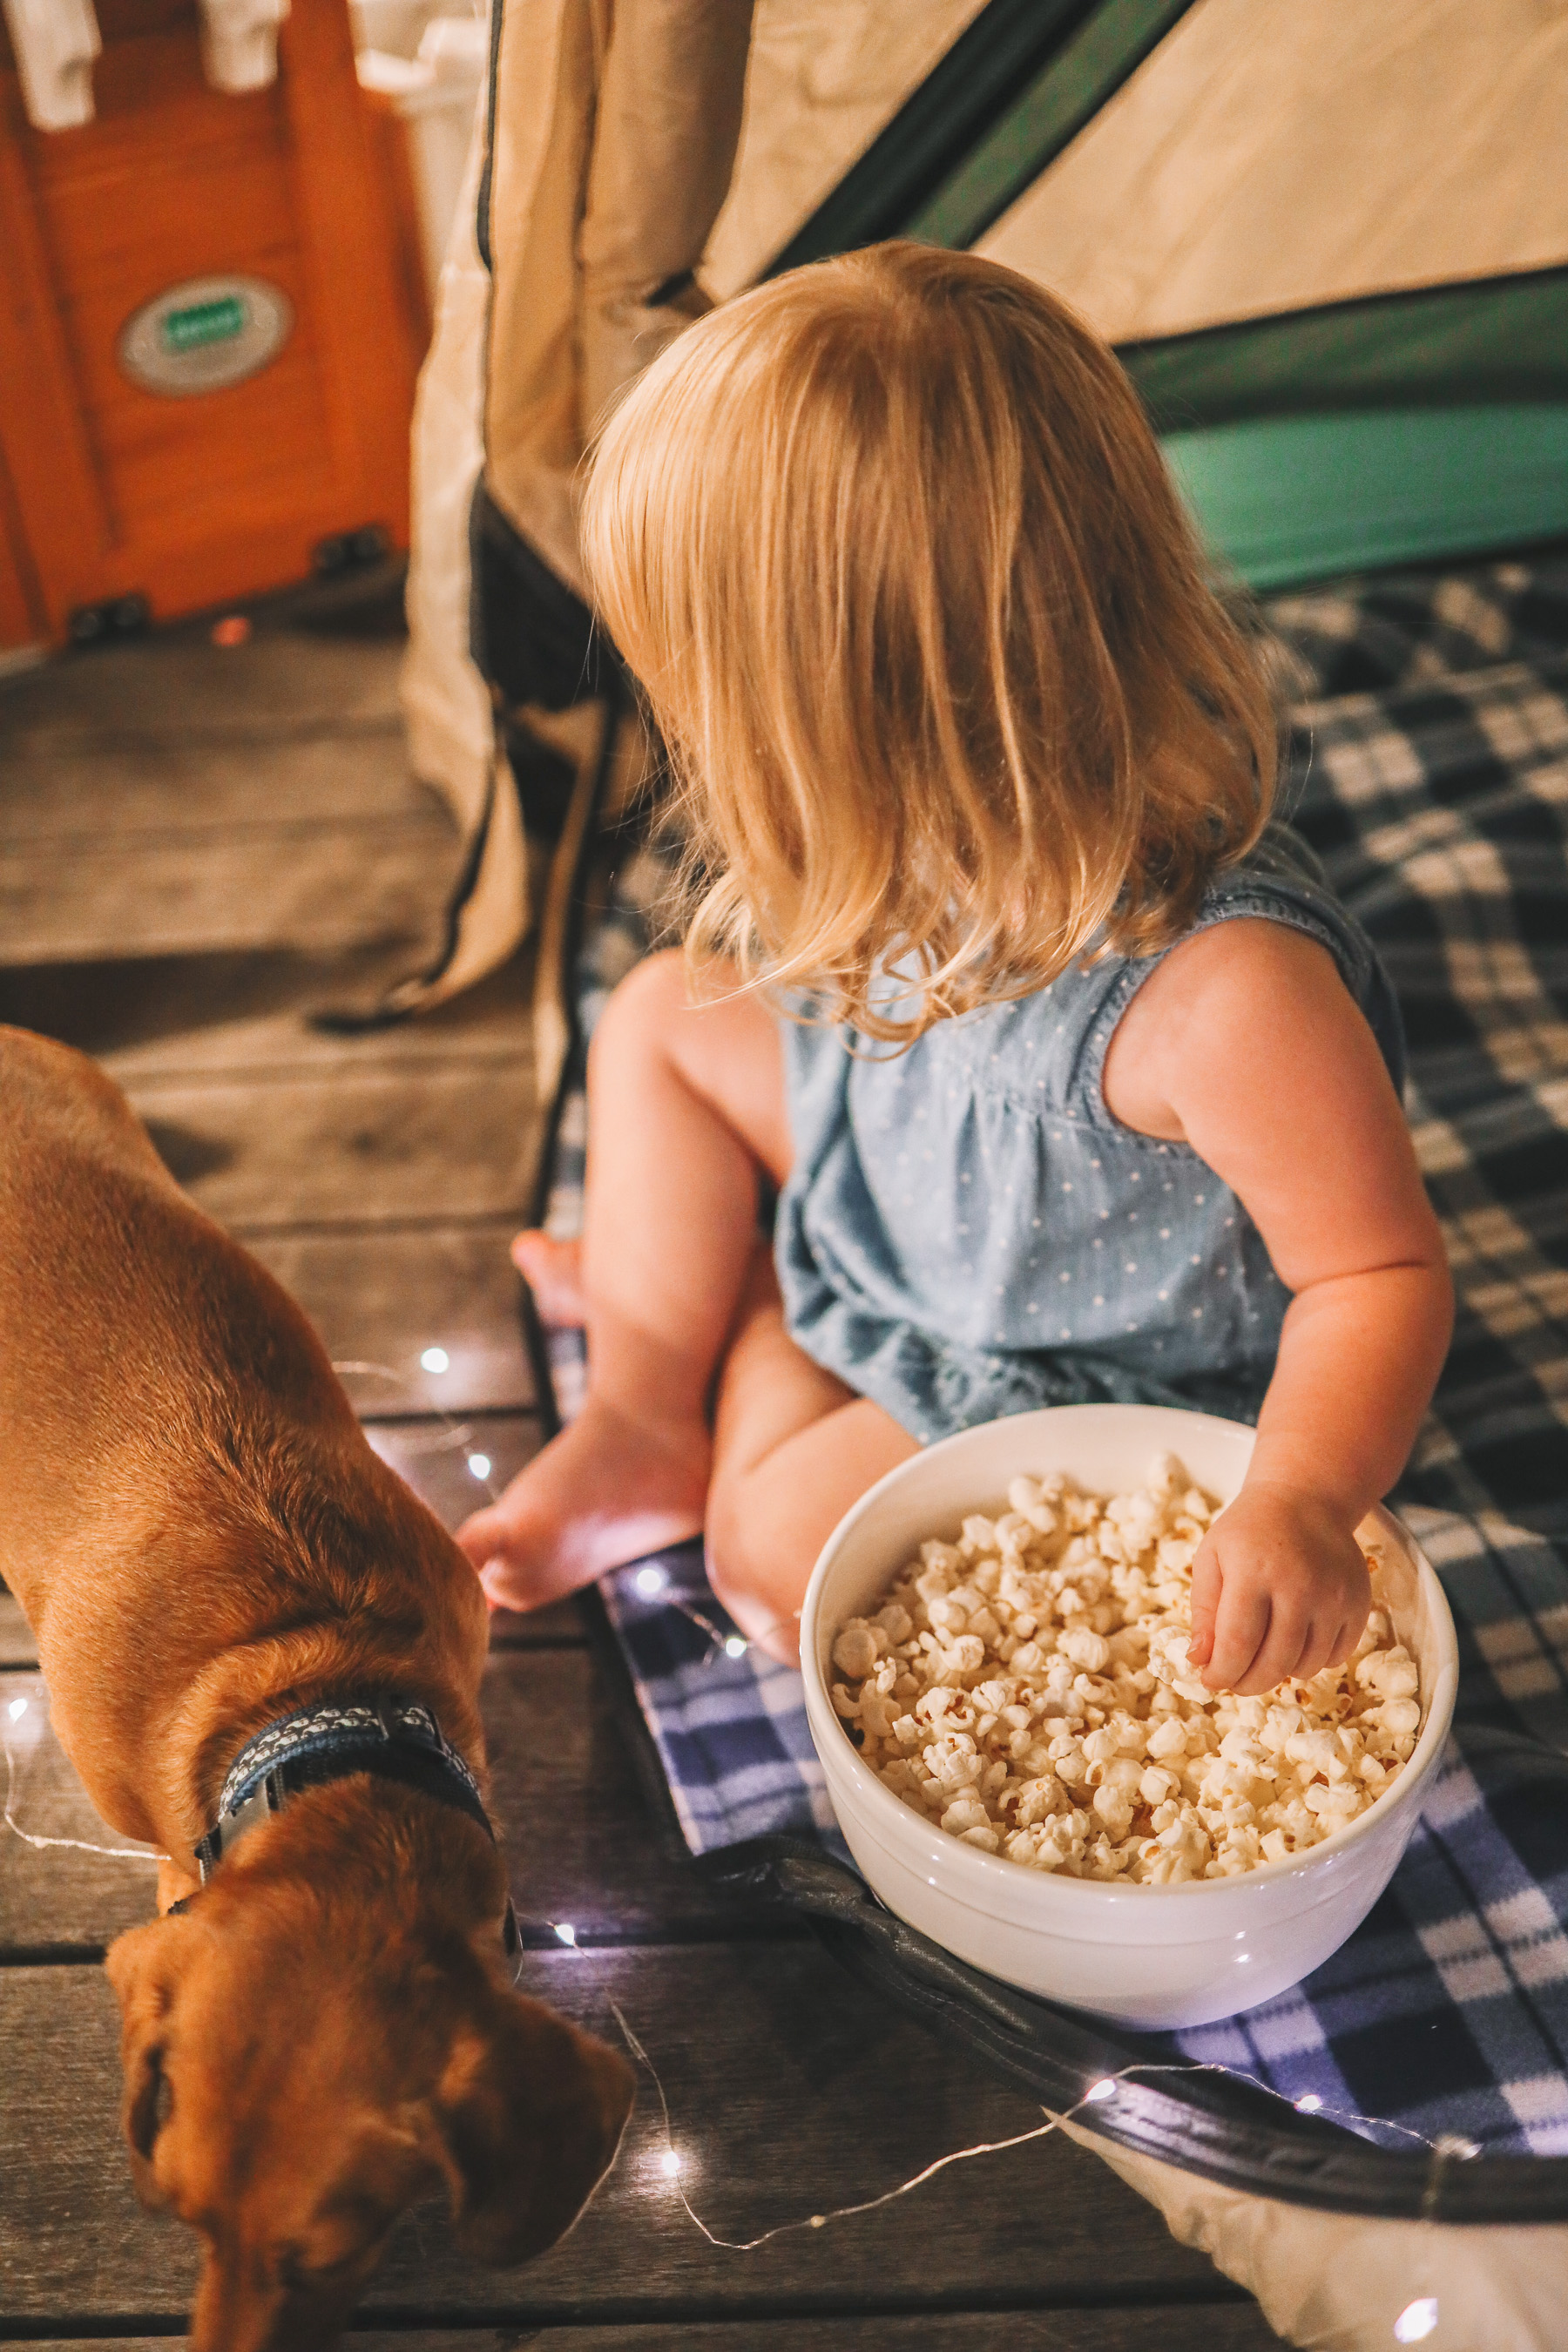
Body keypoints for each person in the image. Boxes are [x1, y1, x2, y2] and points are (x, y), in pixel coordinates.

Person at [456, 243, 1452, 1697]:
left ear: (853, 718)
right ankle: (641, 1401)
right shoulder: (920, 831)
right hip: (917, 1178)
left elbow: (1380, 1271)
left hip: (1089, 1364)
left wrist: (1299, 1498)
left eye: (713, 701)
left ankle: (745, 1312)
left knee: (776, 1559)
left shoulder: (1229, 998)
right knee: (662, 1017)